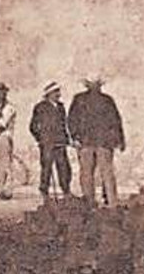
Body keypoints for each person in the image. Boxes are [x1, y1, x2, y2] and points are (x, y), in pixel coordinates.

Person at [69, 75, 125, 207]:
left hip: (94, 142)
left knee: (96, 174)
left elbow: (115, 121)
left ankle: (103, 203)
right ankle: (105, 203)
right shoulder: (104, 100)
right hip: (92, 142)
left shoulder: (81, 99)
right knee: (97, 174)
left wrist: (75, 137)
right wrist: (75, 137)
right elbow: (72, 120)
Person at [29, 80, 72, 198]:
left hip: (60, 142)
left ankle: (66, 190)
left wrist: (66, 138)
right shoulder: (40, 107)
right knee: (46, 167)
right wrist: (40, 138)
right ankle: (44, 191)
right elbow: (33, 126)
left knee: (64, 167)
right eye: (55, 92)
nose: (58, 95)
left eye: (58, 92)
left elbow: (64, 124)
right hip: (47, 143)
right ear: (49, 94)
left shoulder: (61, 107)